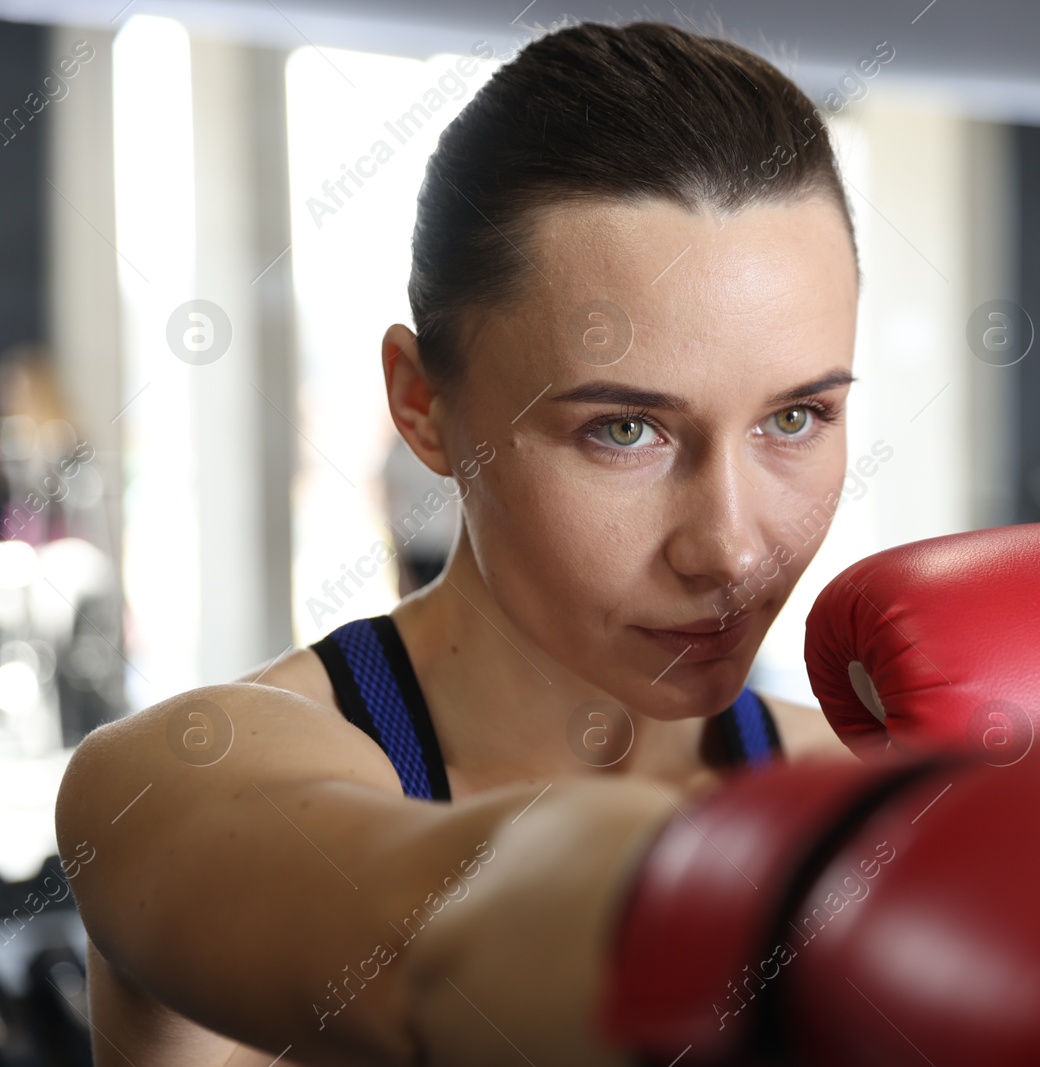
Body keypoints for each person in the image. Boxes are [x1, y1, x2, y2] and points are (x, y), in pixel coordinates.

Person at [55, 22, 858, 1065]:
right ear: (422, 402)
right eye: (624, 428)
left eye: (794, 418)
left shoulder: (861, 781)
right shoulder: (175, 782)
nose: (733, 549)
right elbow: (427, 958)